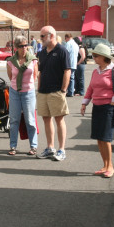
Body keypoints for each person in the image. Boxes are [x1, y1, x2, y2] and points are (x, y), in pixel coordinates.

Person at [80, 44, 114, 178]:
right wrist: (84, 103)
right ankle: (105, 165)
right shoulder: (96, 71)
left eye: (96, 56)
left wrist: (113, 101)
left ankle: (110, 166)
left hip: (108, 108)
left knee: (106, 139)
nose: (93, 58)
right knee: (99, 139)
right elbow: (90, 88)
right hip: (97, 107)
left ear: (104, 57)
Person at [36, 26, 70, 161]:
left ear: (51, 35)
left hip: (56, 91)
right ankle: (50, 148)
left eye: (43, 36)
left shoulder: (62, 50)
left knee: (59, 119)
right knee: (46, 118)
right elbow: (40, 72)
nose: (41, 39)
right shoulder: (42, 52)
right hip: (43, 91)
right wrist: (39, 88)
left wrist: (63, 90)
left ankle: (61, 149)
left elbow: (67, 71)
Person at [6, 36, 38, 156]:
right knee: (14, 120)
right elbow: (11, 77)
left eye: (26, 45)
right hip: (14, 91)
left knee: (30, 120)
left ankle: (33, 146)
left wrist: (27, 85)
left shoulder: (33, 60)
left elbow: (35, 75)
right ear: (16, 48)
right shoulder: (10, 61)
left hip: (28, 92)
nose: (24, 48)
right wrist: (18, 85)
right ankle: (13, 146)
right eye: (21, 46)